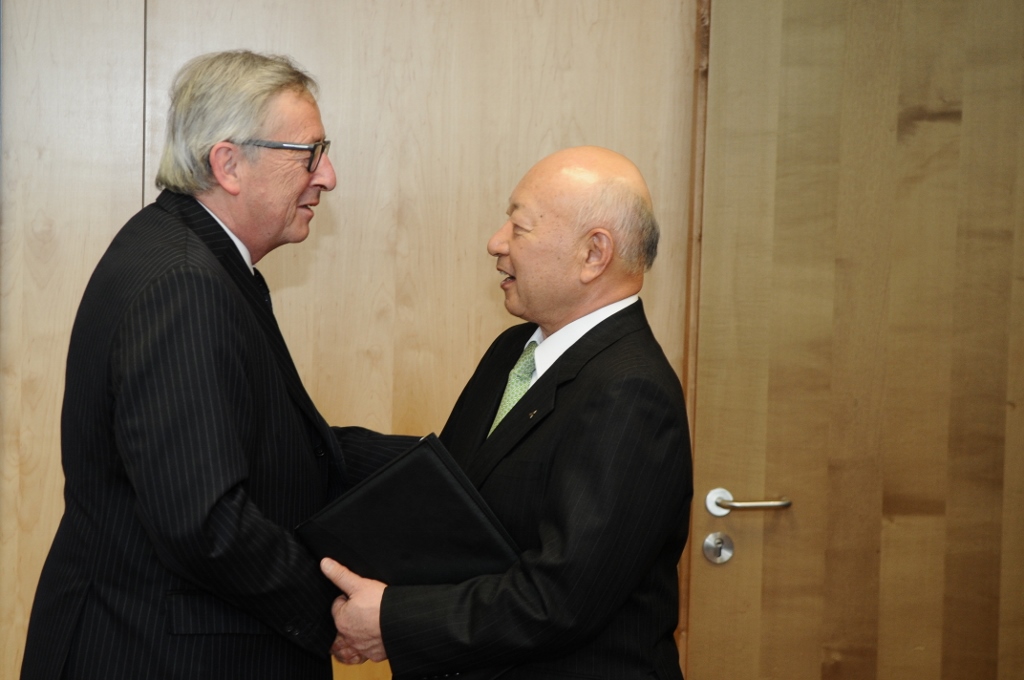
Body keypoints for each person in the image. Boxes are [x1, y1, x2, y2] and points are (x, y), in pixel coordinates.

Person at [21, 50, 345, 679]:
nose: (327, 175)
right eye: (308, 154)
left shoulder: (190, 253)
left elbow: (264, 438)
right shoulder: (184, 282)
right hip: (155, 651)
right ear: (228, 163)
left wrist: (450, 461)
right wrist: (329, 607)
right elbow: (205, 524)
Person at [322, 146, 694, 679]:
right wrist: (317, 443)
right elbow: (454, 489)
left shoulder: (631, 391)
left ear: (594, 254)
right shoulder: (514, 351)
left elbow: (560, 600)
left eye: (518, 227)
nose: (496, 243)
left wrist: (393, 619)